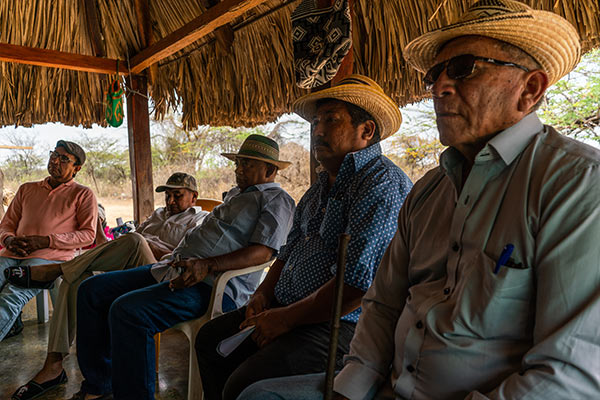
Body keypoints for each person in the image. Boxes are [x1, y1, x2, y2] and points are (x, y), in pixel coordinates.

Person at [236, 1, 600, 399]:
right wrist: (350, 389)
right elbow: (382, 305)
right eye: (435, 73)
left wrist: (289, 319)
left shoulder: (576, 186)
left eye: (464, 68)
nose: (440, 86)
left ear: (530, 89)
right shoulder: (429, 192)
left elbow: (566, 374)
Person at [194, 75, 413, 400]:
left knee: (245, 384)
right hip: (287, 308)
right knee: (211, 340)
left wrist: (285, 320)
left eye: (331, 120)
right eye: (315, 122)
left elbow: (355, 287)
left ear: (366, 131)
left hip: (340, 323)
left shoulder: (380, 185)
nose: (318, 131)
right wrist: (263, 296)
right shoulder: (319, 187)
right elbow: (287, 250)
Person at [69, 135, 295, 400]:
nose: (239, 169)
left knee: (128, 311)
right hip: (173, 268)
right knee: (91, 290)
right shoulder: (237, 194)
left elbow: (263, 251)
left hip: (209, 285)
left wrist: (208, 265)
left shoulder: (276, 201)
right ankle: (98, 387)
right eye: (238, 163)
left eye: (247, 164)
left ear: (270, 170)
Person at [7, 172, 208, 400]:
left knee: (135, 240)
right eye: (167, 196)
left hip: (160, 273)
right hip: (131, 268)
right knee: (78, 282)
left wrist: (148, 242)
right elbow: (122, 245)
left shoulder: (200, 220)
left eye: (177, 196)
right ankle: (55, 366)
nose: (170, 201)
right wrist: (103, 232)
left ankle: (55, 270)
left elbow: (181, 257)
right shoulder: (157, 215)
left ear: (194, 197)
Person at [0, 140, 97, 341]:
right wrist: (9, 240)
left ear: (76, 168)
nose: (55, 161)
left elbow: (88, 234)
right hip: (12, 253)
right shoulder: (27, 189)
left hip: (49, 259)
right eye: (54, 154)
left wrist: (46, 241)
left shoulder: (83, 194)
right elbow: (6, 224)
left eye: (64, 159)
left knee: (11, 297)